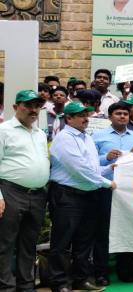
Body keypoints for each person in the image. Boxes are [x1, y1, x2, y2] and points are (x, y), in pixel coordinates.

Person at [48, 102, 117, 292]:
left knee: (84, 240)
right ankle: (59, 283)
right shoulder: (64, 138)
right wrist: (105, 182)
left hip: (88, 195)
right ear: (68, 119)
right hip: (67, 195)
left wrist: (108, 169)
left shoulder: (87, 137)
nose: (85, 118)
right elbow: (79, 169)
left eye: (86, 114)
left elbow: (92, 168)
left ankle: (81, 279)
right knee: (62, 241)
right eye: (80, 115)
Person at [92, 101, 133, 286]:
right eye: (118, 113)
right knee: (103, 231)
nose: (122, 116)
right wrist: (105, 158)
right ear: (110, 116)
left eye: (125, 113)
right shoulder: (97, 136)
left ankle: (126, 270)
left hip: (129, 191)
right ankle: (101, 272)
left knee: (128, 229)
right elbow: (89, 163)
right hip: (106, 188)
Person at [0, 90, 49, 292]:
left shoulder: (40, 133)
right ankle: (6, 287)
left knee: (29, 244)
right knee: (5, 243)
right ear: (15, 107)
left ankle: (26, 285)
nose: (33, 110)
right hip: (11, 191)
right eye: (28, 105)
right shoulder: (3, 130)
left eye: (37, 106)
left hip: (37, 194)